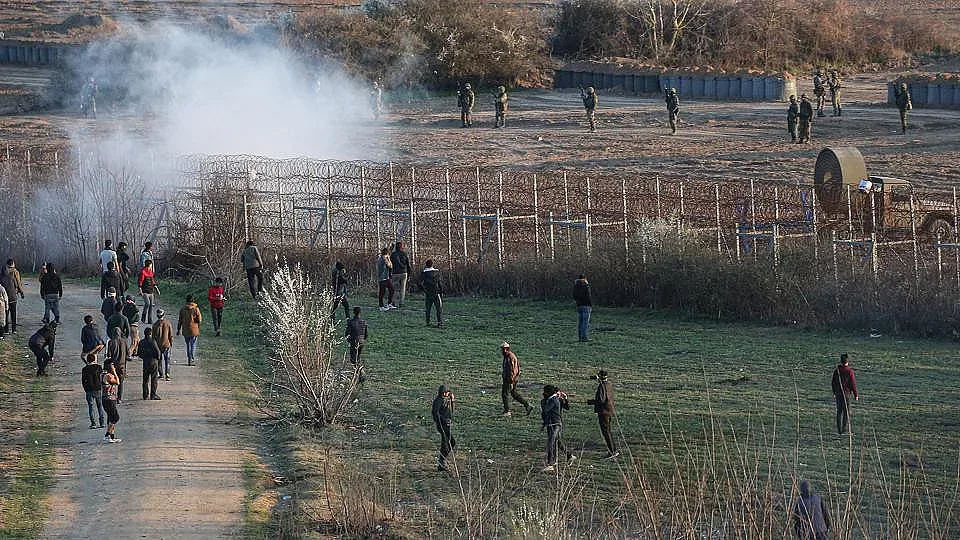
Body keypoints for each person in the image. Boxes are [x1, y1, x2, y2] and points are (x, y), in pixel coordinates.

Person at [540, 384, 575, 472]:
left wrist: (543, 401)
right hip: (551, 424)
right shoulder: (552, 399)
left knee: (551, 443)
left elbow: (545, 410)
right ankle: (569, 456)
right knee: (557, 442)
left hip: (555, 424)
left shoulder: (553, 400)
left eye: (545, 392)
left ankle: (550, 463)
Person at [586, 370, 618, 458]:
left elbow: (601, 400)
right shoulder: (609, 384)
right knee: (608, 431)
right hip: (609, 410)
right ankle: (613, 449)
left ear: (600, 377)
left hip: (603, 412)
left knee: (606, 432)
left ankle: (612, 451)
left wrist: (591, 402)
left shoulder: (602, 386)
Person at [500, 342, 531, 416]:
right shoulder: (508, 356)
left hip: (510, 379)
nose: (502, 351)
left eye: (503, 349)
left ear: (506, 349)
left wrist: (511, 381)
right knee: (513, 393)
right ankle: (527, 405)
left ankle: (507, 411)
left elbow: (512, 370)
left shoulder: (510, 357)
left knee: (505, 394)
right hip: (511, 379)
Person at [831, 353, 859, 435]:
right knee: (846, 412)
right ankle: (844, 429)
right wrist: (856, 394)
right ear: (847, 361)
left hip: (838, 393)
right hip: (846, 394)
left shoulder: (837, 370)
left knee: (839, 411)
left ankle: (839, 430)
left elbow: (833, 382)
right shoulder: (849, 371)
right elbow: (853, 384)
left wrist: (834, 392)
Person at [431, 385, 456, 471]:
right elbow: (435, 413)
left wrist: (452, 400)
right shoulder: (438, 401)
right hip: (442, 425)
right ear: (443, 393)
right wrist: (444, 420)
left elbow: (452, 412)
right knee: (448, 443)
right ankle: (442, 462)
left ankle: (442, 462)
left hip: (447, 425)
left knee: (449, 443)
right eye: (447, 392)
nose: (448, 394)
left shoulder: (445, 400)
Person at [81, 353, 105, 429]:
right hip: (98, 389)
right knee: (100, 406)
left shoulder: (84, 369)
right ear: (94, 360)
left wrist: (85, 389)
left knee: (91, 407)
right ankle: (102, 422)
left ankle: (93, 423)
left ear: (87, 360)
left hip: (89, 389)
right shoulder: (98, 367)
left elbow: (83, 381)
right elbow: (102, 378)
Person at [105, 326, 129, 403]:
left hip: (113, 365)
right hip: (122, 365)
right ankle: (119, 398)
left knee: (112, 381)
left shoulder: (111, 342)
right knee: (120, 382)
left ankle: (112, 396)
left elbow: (108, 355)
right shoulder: (124, 341)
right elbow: (128, 353)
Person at [177, 294, 202, 366]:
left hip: (185, 329)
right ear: (193, 300)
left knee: (188, 345)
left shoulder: (182, 309)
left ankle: (189, 358)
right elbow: (199, 320)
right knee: (193, 344)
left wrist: (178, 329)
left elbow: (180, 320)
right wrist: (198, 327)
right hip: (194, 329)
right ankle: (192, 359)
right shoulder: (196, 309)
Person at [138, 327, 162, 400]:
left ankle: (145, 395)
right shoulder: (153, 341)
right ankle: (153, 395)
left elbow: (139, 353)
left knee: (145, 379)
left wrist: (144, 357)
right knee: (154, 379)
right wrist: (157, 359)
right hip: (153, 361)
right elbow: (158, 352)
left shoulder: (141, 342)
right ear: (150, 333)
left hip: (145, 362)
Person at [346, 306, 368, 383]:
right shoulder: (364, 322)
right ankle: (359, 375)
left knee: (353, 360)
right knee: (358, 358)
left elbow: (347, 334)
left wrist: (349, 341)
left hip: (354, 342)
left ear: (353, 312)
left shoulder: (351, 322)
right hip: (361, 342)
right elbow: (366, 335)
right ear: (360, 313)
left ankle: (361, 373)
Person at [2, 259, 25, 333]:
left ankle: (6, 330)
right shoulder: (15, 272)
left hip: (3, 297)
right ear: (12, 264)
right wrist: (21, 292)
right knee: (13, 313)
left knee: (5, 314)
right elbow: (18, 283)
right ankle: (14, 329)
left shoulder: (2, 273)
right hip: (12, 296)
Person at [421, 259, 444, 328]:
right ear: (432, 265)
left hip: (428, 293)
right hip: (436, 292)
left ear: (426, 265)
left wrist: (424, 290)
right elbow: (440, 283)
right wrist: (441, 291)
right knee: (439, 309)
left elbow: (419, 283)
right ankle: (440, 323)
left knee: (428, 309)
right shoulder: (437, 272)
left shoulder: (424, 273)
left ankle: (427, 322)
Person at [153, 309, 173, 381]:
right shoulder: (168, 323)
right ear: (163, 315)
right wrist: (171, 343)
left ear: (157, 315)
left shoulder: (155, 325)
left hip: (158, 345)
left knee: (159, 360)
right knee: (167, 360)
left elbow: (153, 337)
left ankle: (161, 374)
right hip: (166, 344)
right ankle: (167, 375)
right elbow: (170, 335)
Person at [101, 369, 121, 443]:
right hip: (109, 400)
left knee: (110, 418)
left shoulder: (102, 374)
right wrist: (115, 373)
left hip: (107, 399)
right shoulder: (108, 376)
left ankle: (112, 436)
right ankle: (107, 435)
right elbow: (118, 382)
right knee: (115, 418)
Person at [390, 241, 411, 308]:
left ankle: (394, 302)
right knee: (402, 289)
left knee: (395, 289)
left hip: (395, 273)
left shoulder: (393, 254)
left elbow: (390, 264)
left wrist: (389, 274)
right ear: (402, 247)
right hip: (404, 273)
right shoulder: (405, 254)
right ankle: (401, 303)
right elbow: (408, 265)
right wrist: (409, 274)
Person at [138, 259, 159, 324]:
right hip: (145, 291)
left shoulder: (150, 272)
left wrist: (156, 288)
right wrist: (140, 290)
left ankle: (150, 319)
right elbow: (140, 282)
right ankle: (143, 317)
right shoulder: (143, 272)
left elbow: (153, 281)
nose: (151, 266)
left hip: (151, 291)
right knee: (147, 304)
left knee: (151, 306)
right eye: (151, 264)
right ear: (149, 265)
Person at [573, 274, 592, 342]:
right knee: (585, 322)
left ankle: (580, 337)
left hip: (579, 305)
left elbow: (574, 296)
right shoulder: (586, 286)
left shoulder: (576, 286)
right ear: (585, 279)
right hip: (586, 305)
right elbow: (588, 296)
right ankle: (584, 337)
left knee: (580, 322)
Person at [377, 247, 395, 311]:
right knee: (382, 293)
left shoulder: (382, 258)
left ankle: (389, 303)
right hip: (382, 278)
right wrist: (389, 258)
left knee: (391, 290)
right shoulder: (383, 258)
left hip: (386, 278)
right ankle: (381, 306)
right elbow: (390, 266)